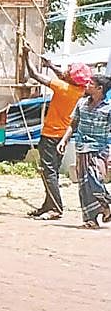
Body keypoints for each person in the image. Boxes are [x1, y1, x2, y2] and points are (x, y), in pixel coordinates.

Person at [23, 45, 89, 220]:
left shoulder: (64, 88)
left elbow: (35, 75)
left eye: (69, 70)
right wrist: (51, 65)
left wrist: (25, 56)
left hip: (52, 136)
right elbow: (63, 76)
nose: (65, 71)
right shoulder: (79, 90)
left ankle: (55, 208)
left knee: (49, 172)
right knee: (51, 171)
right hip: (62, 137)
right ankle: (48, 205)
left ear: (71, 78)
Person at [55, 75, 111, 228]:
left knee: (94, 179)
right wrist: (64, 140)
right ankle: (90, 220)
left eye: (90, 84)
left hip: (100, 149)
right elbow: (73, 124)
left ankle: (106, 204)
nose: (87, 85)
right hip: (82, 148)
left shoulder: (109, 107)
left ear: (100, 89)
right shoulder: (81, 103)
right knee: (83, 185)